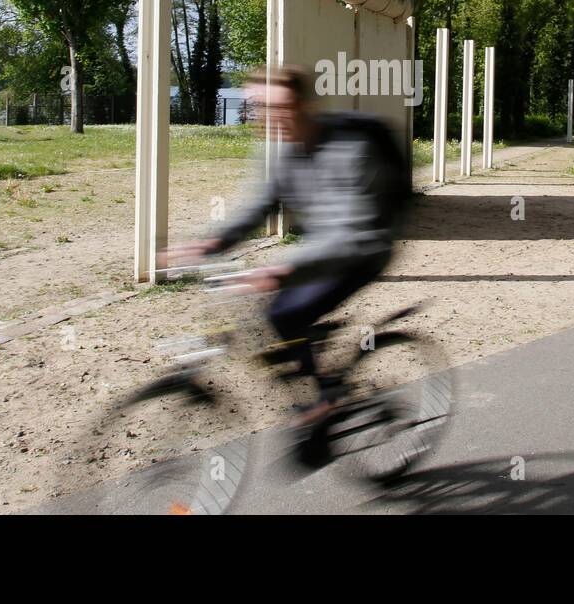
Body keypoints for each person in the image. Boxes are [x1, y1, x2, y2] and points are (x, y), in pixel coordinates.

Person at [161, 65, 411, 422]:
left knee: (284, 314)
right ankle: (318, 381)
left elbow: (351, 229)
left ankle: (327, 400)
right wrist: (210, 243)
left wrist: (284, 268)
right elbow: (258, 206)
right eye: (257, 109)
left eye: (274, 108)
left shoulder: (351, 149)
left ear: (302, 106)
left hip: (363, 250)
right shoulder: (282, 151)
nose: (264, 117)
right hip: (319, 250)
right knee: (274, 318)